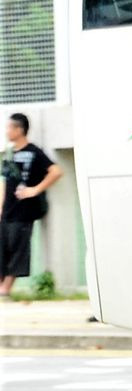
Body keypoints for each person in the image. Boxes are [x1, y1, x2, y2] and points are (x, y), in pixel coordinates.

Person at [2, 113, 62, 300]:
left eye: (9, 127)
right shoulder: (9, 153)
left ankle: (5, 290)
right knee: (3, 248)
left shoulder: (34, 151)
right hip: (7, 210)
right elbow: (4, 182)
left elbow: (56, 171)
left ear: (20, 129)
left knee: (18, 248)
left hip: (25, 211)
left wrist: (35, 190)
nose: (6, 131)